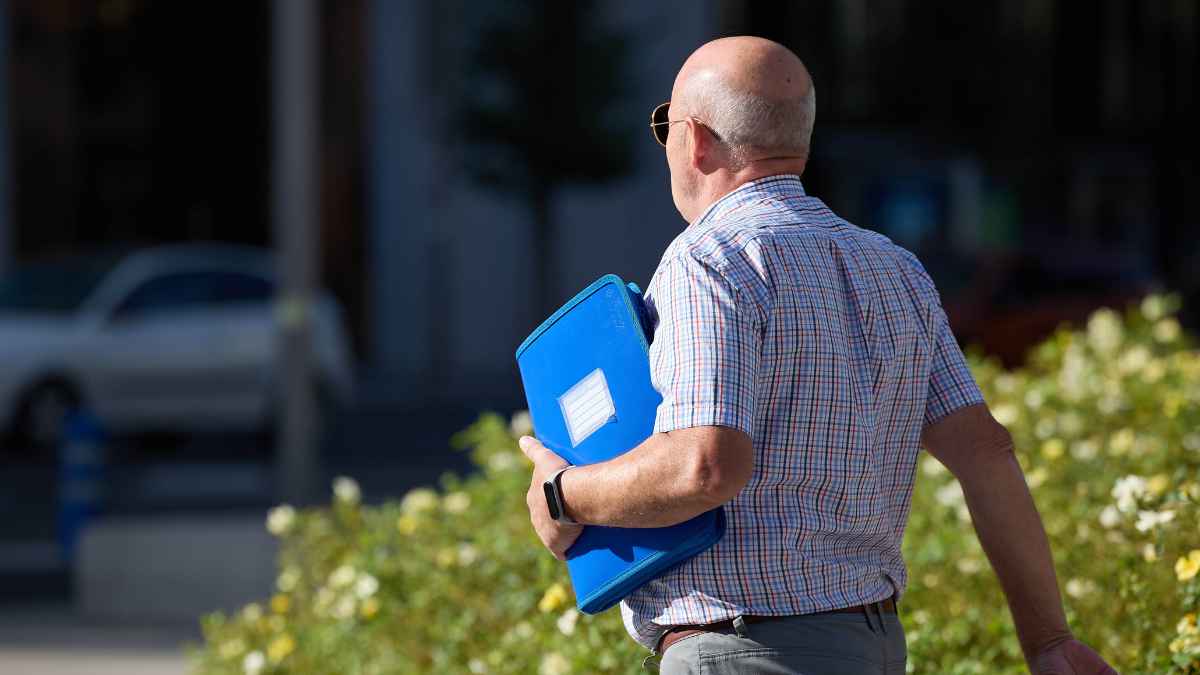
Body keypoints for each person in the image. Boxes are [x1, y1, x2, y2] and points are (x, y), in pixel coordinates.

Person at [517, 36, 1117, 675]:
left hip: (743, 650)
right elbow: (986, 454)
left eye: (666, 125)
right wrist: (1049, 640)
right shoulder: (895, 268)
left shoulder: (708, 260)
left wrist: (562, 495)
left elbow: (706, 466)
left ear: (696, 140)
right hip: (874, 645)